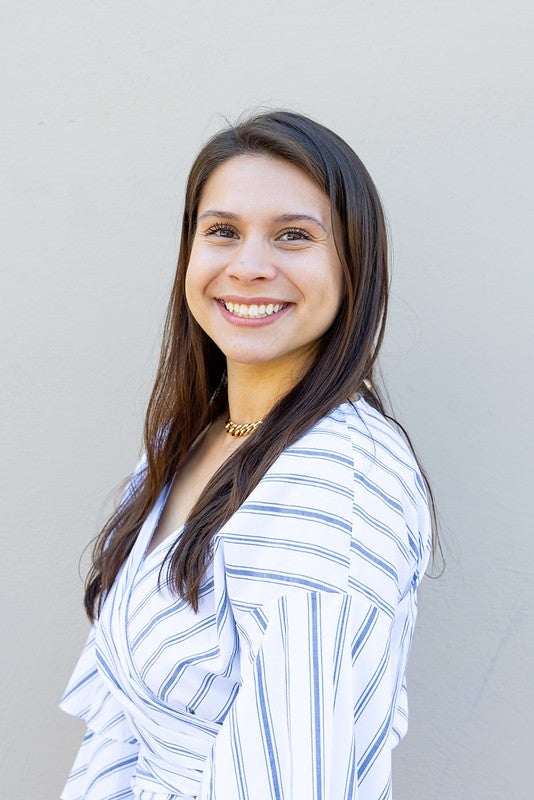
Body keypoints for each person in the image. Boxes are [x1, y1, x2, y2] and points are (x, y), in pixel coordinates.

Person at [60, 110, 436, 800]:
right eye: (223, 232)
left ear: (353, 264)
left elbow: (292, 779)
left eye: (294, 236)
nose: (249, 267)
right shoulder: (193, 441)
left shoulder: (335, 484)